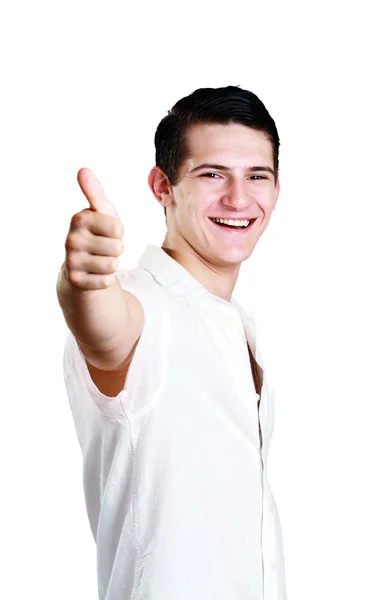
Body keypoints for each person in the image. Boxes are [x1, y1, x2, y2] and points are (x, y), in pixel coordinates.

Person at [57, 85, 287, 600]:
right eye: (212, 174)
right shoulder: (144, 306)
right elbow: (105, 329)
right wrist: (83, 282)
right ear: (163, 186)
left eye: (257, 176)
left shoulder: (238, 325)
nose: (238, 198)